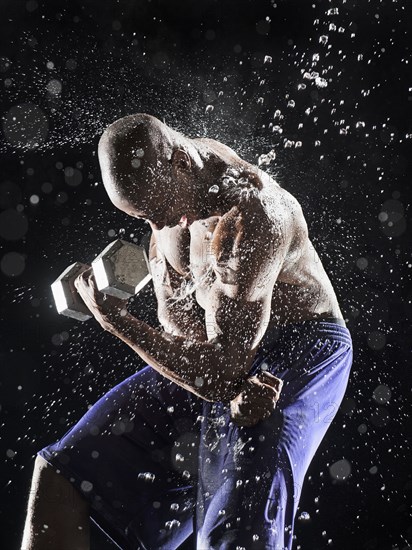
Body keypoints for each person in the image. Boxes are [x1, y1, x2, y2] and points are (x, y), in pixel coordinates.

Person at [21, 114, 353, 550]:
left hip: (302, 347)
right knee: (62, 474)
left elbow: (217, 374)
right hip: (223, 356)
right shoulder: (166, 201)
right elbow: (177, 323)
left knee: (234, 534)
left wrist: (118, 322)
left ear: (179, 161)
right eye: (145, 216)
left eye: (159, 211)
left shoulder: (253, 218)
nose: (160, 225)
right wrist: (223, 382)